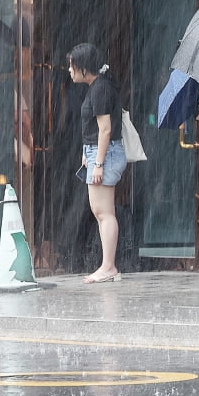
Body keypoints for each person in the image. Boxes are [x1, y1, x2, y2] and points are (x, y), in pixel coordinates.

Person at [67, 43, 126, 284]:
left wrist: (98, 163)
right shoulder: (98, 87)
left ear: (83, 67)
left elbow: (105, 129)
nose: (69, 70)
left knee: (104, 213)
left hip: (105, 154)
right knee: (101, 212)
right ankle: (107, 265)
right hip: (98, 153)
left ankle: (108, 266)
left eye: (72, 66)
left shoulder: (100, 89)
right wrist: (87, 154)